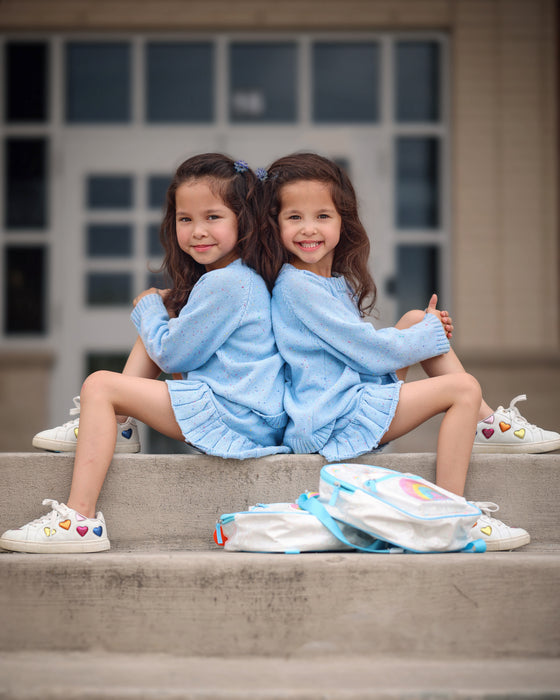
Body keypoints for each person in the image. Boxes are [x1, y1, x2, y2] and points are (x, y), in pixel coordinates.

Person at [259, 152, 558, 551]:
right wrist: (428, 337)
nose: (308, 229)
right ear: (275, 224)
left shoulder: (330, 282)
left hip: (345, 397)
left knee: (416, 319)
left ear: (342, 221)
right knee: (462, 388)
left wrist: (424, 331)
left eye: (322, 216)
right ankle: (452, 517)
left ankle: (488, 425)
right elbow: (367, 352)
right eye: (294, 217)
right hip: (331, 417)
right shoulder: (296, 286)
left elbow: (359, 351)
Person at [0, 153, 289, 554]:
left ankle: (79, 521)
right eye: (185, 219)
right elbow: (174, 346)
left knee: (100, 385)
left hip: (236, 418)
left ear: (244, 221)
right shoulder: (234, 279)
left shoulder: (229, 283)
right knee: (164, 318)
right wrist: (163, 308)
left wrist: (149, 306)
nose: (197, 231)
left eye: (213, 217)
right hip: (240, 411)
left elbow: (171, 356)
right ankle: (115, 427)